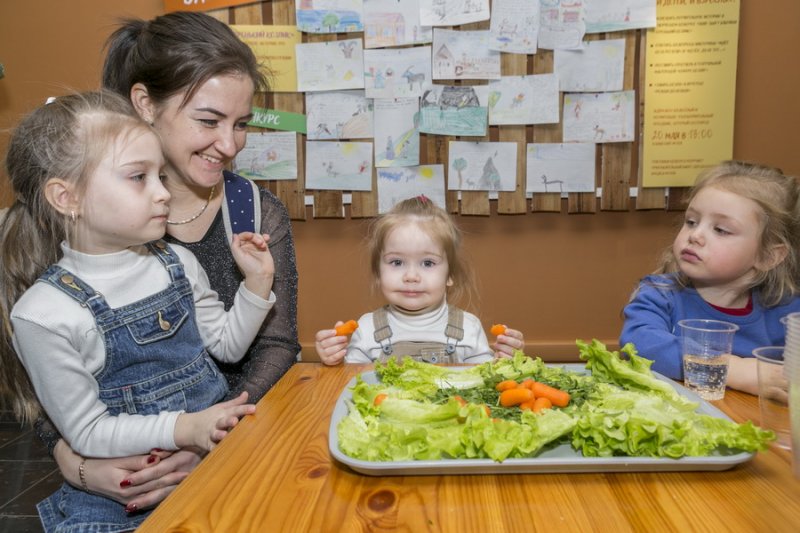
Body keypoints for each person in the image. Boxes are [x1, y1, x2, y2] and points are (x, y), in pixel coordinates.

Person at [35, 10, 301, 517]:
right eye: (208, 120)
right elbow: (43, 368)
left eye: (241, 124)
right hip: (110, 463)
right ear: (145, 104)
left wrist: (206, 437)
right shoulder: (81, 218)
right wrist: (77, 463)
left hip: (229, 445)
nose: (229, 144)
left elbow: (276, 344)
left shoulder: (254, 211)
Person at [0, 91, 276, 531]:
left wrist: (256, 285)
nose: (163, 193)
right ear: (66, 197)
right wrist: (185, 428)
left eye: (161, 176)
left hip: (214, 459)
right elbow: (87, 432)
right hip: (121, 493)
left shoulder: (177, 263)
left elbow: (226, 345)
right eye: (138, 177)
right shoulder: (44, 314)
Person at [620, 160, 800, 395]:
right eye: (691, 222)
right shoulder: (658, 294)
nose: (695, 235)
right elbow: (638, 346)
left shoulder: (787, 310)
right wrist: (732, 369)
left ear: (768, 256)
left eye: (721, 230)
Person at [314, 195, 525, 365]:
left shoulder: (468, 328)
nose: (411, 276)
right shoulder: (366, 328)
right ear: (378, 273)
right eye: (397, 262)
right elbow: (350, 383)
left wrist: (505, 362)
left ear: (450, 275)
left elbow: (484, 381)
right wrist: (333, 360)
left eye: (427, 263)